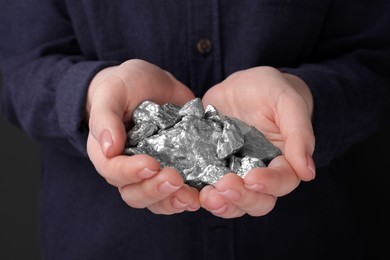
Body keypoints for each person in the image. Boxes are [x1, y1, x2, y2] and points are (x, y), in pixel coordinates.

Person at [0, 1, 389, 259]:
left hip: (300, 242)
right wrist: (91, 94)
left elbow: (373, 59)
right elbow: (17, 66)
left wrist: (303, 98)